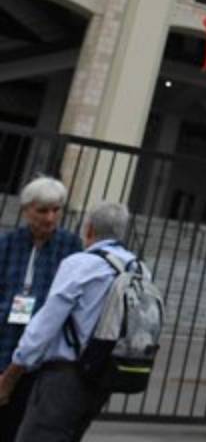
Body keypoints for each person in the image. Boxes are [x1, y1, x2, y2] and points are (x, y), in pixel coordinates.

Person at [0, 202, 135, 441]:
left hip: (65, 376)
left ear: (89, 229)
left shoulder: (81, 264)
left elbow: (46, 324)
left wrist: (13, 371)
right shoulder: (136, 268)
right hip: (103, 375)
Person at [0, 176, 82, 440]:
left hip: (43, 349)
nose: (49, 218)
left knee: (25, 420)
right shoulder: (8, 243)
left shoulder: (69, 246)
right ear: (26, 211)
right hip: (6, 338)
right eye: (42, 210)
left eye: (56, 210)